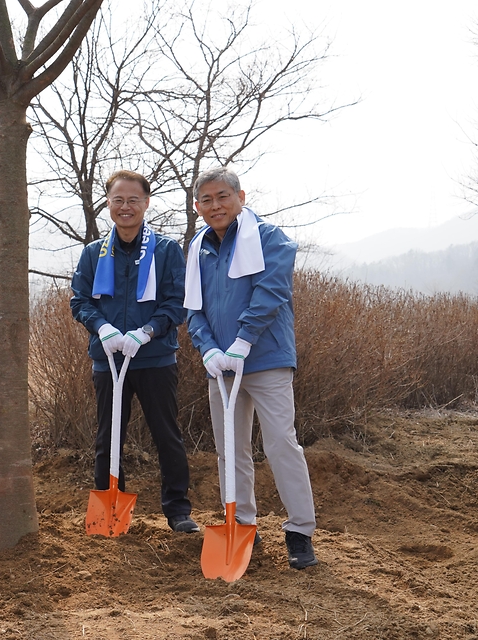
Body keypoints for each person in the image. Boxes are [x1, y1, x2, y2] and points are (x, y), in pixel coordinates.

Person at [184, 165, 318, 570]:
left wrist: (243, 341)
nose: (215, 205)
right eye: (206, 199)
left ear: (241, 197)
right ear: (197, 207)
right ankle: (242, 522)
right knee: (230, 450)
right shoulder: (199, 248)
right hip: (221, 367)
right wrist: (208, 349)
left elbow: (271, 291)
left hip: (265, 359)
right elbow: (194, 308)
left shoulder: (269, 238)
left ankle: (300, 530)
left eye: (222, 196)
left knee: (281, 442)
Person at [71, 169, 199, 534]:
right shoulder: (94, 254)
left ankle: (177, 510)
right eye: (117, 200)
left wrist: (147, 331)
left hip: (155, 358)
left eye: (133, 200)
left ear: (146, 203)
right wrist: (103, 328)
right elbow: (80, 301)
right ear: (108, 204)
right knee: (107, 437)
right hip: (108, 359)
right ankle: (109, 508)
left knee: (166, 435)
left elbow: (178, 303)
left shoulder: (166, 250)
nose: (125, 207)